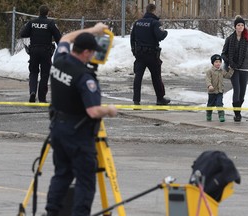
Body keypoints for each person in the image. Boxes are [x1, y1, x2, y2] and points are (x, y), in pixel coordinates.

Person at [44, 23, 117, 216]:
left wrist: (94, 30)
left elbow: (65, 38)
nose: (93, 56)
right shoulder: (85, 78)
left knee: (62, 174)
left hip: (58, 129)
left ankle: (52, 212)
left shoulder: (59, 60)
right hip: (78, 134)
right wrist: (109, 110)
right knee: (86, 182)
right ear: (86, 52)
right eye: (92, 53)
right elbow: (93, 111)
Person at [221, 15, 248, 122]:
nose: (240, 27)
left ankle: (238, 109)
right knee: (237, 90)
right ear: (235, 27)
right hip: (234, 68)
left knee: (242, 93)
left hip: (245, 69)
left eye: (242, 25)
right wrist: (229, 62)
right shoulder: (230, 39)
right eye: (238, 25)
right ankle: (237, 114)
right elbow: (223, 54)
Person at [130, 3, 170, 105]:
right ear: (154, 10)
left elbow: (132, 38)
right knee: (156, 77)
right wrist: (165, 32)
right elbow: (160, 36)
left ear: (146, 11)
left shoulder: (137, 23)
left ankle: (136, 100)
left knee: (138, 77)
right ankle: (160, 99)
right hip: (152, 55)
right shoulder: (155, 23)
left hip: (139, 54)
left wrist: (134, 51)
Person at [20, 5, 61, 103]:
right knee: (45, 74)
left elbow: (23, 34)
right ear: (47, 13)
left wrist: (34, 32)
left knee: (33, 72)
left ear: (39, 12)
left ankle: (32, 92)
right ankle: (42, 98)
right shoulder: (50, 23)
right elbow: (58, 38)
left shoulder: (32, 22)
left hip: (33, 51)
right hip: (46, 51)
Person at [205, 54, 234, 122]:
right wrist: (209, 86)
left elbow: (227, 76)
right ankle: (209, 114)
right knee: (210, 104)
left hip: (219, 91)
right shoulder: (209, 71)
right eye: (216, 62)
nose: (218, 63)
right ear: (213, 63)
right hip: (212, 91)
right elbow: (207, 79)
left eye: (219, 62)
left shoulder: (222, 71)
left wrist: (231, 70)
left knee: (219, 104)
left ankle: (221, 116)